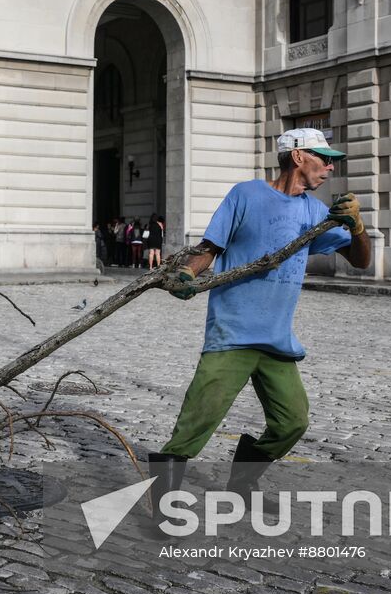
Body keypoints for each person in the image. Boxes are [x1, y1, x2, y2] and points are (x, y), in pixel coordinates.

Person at [148, 128, 372, 518]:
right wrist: (186, 275)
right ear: (299, 156)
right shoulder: (246, 195)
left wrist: (357, 226)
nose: (330, 166)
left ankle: (242, 485)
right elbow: (209, 248)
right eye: (324, 157)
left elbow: (361, 261)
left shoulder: (315, 212)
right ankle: (165, 509)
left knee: (292, 422)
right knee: (194, 425)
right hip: (232, 333)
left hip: (276, 339)